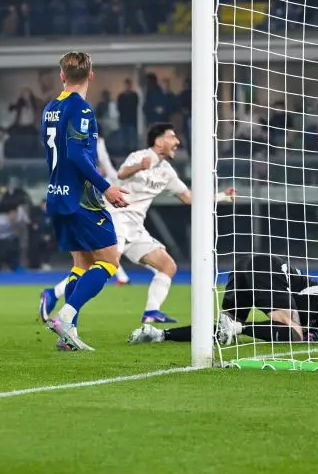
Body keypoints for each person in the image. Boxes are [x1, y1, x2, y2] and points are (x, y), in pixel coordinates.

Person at [41, 123, 223, 325]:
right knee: (103, 267)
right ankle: (55, 297)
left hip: (136, 228)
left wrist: (221, 196)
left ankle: (152, 311)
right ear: (159, 141)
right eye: (172, 137)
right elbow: (121, 174)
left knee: (167, 266)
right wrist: (140, 166)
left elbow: (188, 198)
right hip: (116, 220)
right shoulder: (140, 156)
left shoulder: (167, 172)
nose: (177, 142)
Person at [41, 51, 128, 352]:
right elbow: (77, 154)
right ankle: (66, 316)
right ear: (91, 75)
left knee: (83, 263)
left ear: (62, 76)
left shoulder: (50, 108)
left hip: (56, 195)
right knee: (110, 261)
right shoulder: (82, 110)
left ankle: (69, 333)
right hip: (82, 199)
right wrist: (107, 188)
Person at [129, 253, 318, 345]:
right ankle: (240, 328)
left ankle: (159, 334)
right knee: (294, 332)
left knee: (219, 332)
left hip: (246, 271)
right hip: (266, 268)